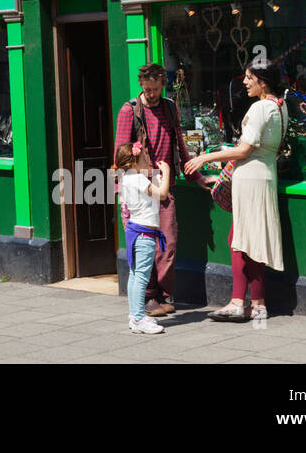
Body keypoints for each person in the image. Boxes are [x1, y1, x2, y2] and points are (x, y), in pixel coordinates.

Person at [185, 61, 288, 322]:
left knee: (242, 240)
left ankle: (239, 303)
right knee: (246, 239)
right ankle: (255, 304)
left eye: (249, 77)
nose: (244, 82)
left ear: (262, 82)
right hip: (263, 175)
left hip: (251, 180)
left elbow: (243, 151)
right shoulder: (279, 106)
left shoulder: (260, 108)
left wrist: (204, 158)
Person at [112, 63, 203, 318]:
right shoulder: (129, 111)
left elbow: (180, 146)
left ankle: (162, 294)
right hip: (140, 190)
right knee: (145, 246)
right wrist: (126, 192)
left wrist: (195, 175)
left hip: (165, 186)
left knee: (168, 243)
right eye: (147, 89)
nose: (151, 94)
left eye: (155, 89)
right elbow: (121, 154)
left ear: (163, 85)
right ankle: (148, 296)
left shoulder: (170, 107)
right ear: (141, 84)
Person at [117, 144, 171, 334]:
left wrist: (156, 180)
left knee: (134, 275)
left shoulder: (126, 179)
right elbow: (163, 194)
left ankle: (135, 315)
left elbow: (150, 199)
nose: (147, 161)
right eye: (143, 158)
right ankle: (139, 318)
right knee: (141, 277)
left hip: (135, 231)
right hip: (144, 235)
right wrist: (167, 172)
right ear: (134, 161)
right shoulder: (138, 178)